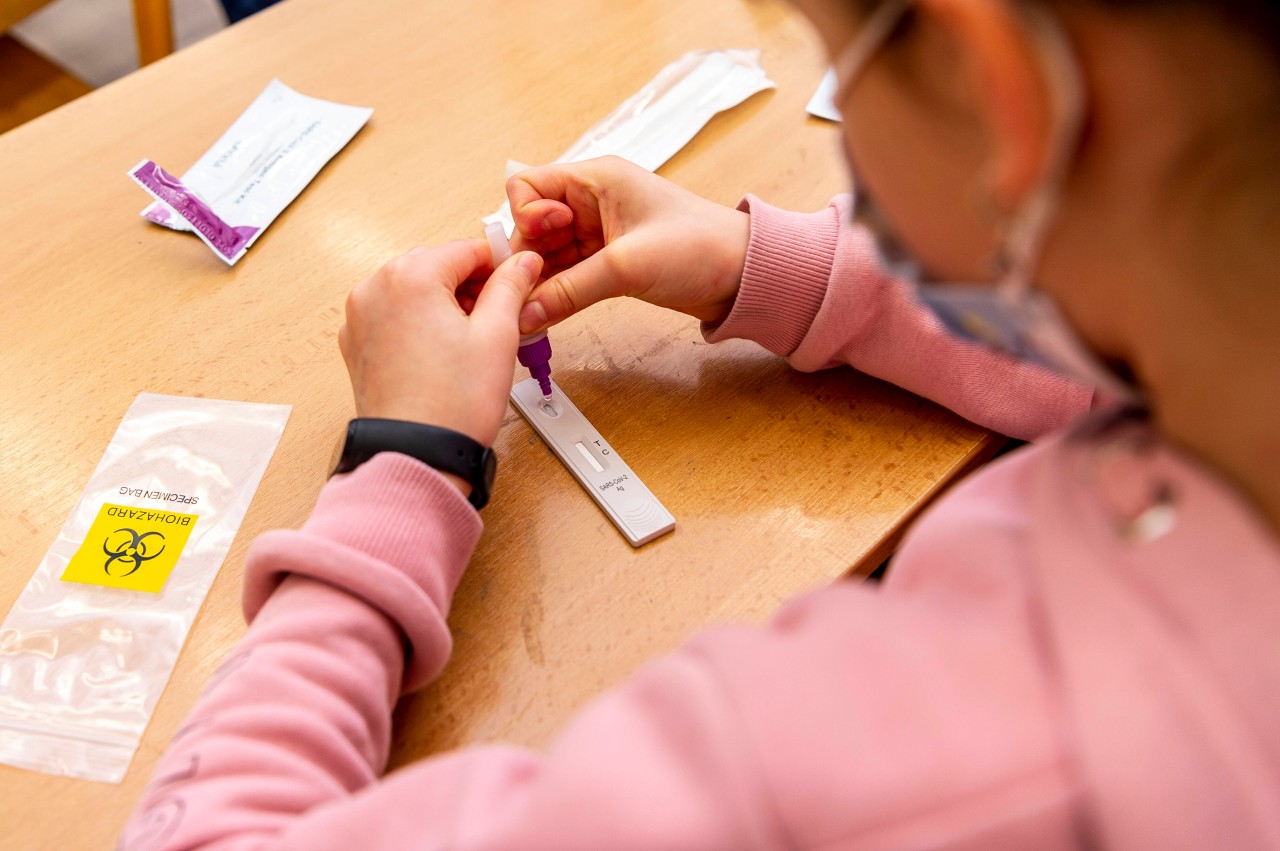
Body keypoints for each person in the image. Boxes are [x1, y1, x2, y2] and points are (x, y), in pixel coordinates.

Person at [120, 0, 1280, 847]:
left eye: (837, 57)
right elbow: (1119, 344)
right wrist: (764, 264)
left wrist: (402, 462)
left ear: (996, 86)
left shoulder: (861, 766)